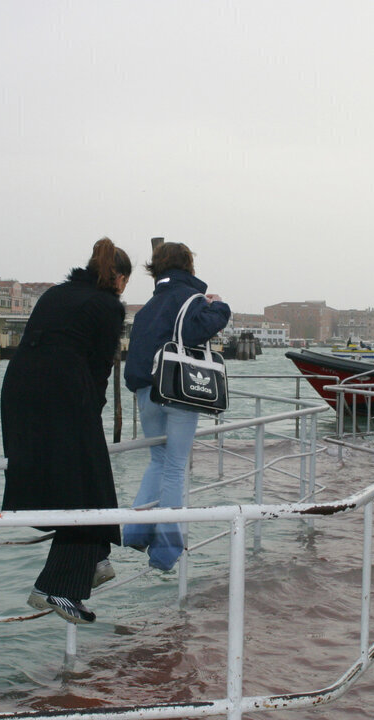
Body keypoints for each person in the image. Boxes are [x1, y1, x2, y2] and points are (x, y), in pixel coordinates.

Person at [0, 237, 132, 625]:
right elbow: (100, 367)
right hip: (64, 393)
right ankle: (56, 587)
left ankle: (94, 560)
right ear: (119, 278)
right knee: (88, 488)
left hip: (19, 391)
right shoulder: (108, 306)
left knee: (71, 482)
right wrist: (94, 411)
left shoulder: (57, 294)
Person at [122, 241, 231, 571]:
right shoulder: (190, 299)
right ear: (189, 266)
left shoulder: (147, 307)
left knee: (158, 461)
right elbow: (200, 328)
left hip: (146, 392)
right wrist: (220, 306)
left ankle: (137, 531)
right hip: (179, 393)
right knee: (175, 466)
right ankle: (167, 551)